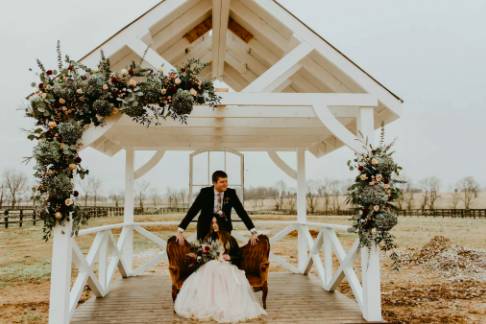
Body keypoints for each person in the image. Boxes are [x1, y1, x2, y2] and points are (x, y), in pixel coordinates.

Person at [174, 216, 267, 323]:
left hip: (226, 266)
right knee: (210, 269)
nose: (214, 225)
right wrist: (199, 256)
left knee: (222, 271)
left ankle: (224, 305)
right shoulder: (209, 237)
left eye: (216, 222)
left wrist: (230, 257)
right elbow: (204, 254)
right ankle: (209, 304)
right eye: (213, 223)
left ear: (221, 223)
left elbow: (239, 256)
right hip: (211, 265)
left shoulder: (229, 239)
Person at [175, 170, 259, 245]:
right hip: (204, 229)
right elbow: (192, 211)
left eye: (226, 181)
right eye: (222, 182)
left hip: (224, 230)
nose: (225, 184)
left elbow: (242, 212)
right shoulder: (205, 193)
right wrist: (180, 230)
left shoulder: (231, 193)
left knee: (224, 256)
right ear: (214, 183)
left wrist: (253, 231)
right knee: (205, 255)